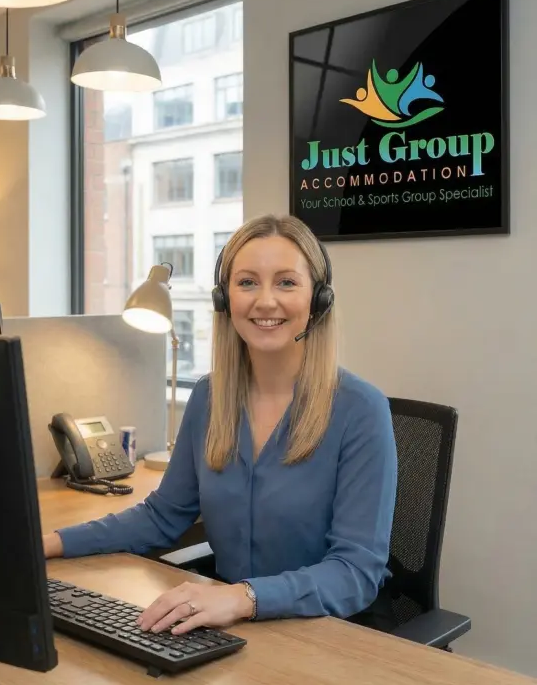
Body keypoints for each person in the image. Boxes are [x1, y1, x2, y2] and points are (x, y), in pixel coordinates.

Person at [43, 214, 398, 635]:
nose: (265, 301)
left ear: (318, 300)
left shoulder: (360, 410)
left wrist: (242, 597)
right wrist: (50, 542)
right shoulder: (210, 397)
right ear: (224, 300)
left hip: (325, 632)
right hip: (228, 626)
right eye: (247, 282)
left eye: (286, 282)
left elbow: (356, 572)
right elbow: (161, 517)